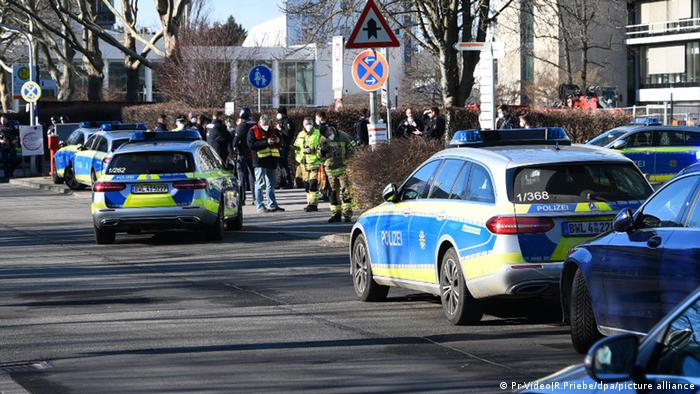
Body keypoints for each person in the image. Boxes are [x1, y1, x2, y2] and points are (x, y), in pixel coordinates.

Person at [318, 125, 355, 223]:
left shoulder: (343, 136)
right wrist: (322, 152)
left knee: (346, 191)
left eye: (328, 134)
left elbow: (353, 149)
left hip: (343, 169)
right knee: (333, 193)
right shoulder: (322, 140)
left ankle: (347, 214)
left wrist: (350, 162)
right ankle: (336, 214)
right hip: (330, 170)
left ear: (331, 129)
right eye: (325, 135)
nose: (328, 136)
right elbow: (319, 156)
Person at [248, 114, 284, 213]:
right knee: (260, 184)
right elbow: (252, 145)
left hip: (271, 161)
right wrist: (266, 142)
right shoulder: (253, 130)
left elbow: (280, 141)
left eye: (267, 122)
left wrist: (277, 140)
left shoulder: (272, 130)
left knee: (271, 185)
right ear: (260, 122)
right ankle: (260, 206)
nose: (266, 124)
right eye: (264, 122)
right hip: (260, 161)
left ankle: (272, 205)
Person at [294, 117, 322, 212]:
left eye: (309, 123)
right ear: (303, 125)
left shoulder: (318, 133)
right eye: (306, 124)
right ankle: (309, 202)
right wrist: (299, 158)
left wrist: (313, 150)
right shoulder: (300, 135)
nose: (308, 125)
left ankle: (313, 204)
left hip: (315, 163)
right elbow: (297, 148)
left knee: (313, 184)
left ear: (313, 123)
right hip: (304, 164)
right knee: (306, 185)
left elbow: (323, 147)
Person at [232, 107, 256, 204]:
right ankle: (255, 198)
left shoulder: (241, 126)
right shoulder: (254, 124)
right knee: (253, 175)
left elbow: (235, 141)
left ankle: (242, 199)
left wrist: (234, 148)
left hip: (242, 153)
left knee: (241, 175)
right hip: (253, 153)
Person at [275, 107, 295, 189]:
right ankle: (283, 182)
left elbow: (287, 134)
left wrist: (280, 129)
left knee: (283, 164)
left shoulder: (287, 122)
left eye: (278, 113)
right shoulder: (283, 121)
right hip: (281, 145)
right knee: (281, 164)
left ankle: (288, 183)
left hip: (284, 145)